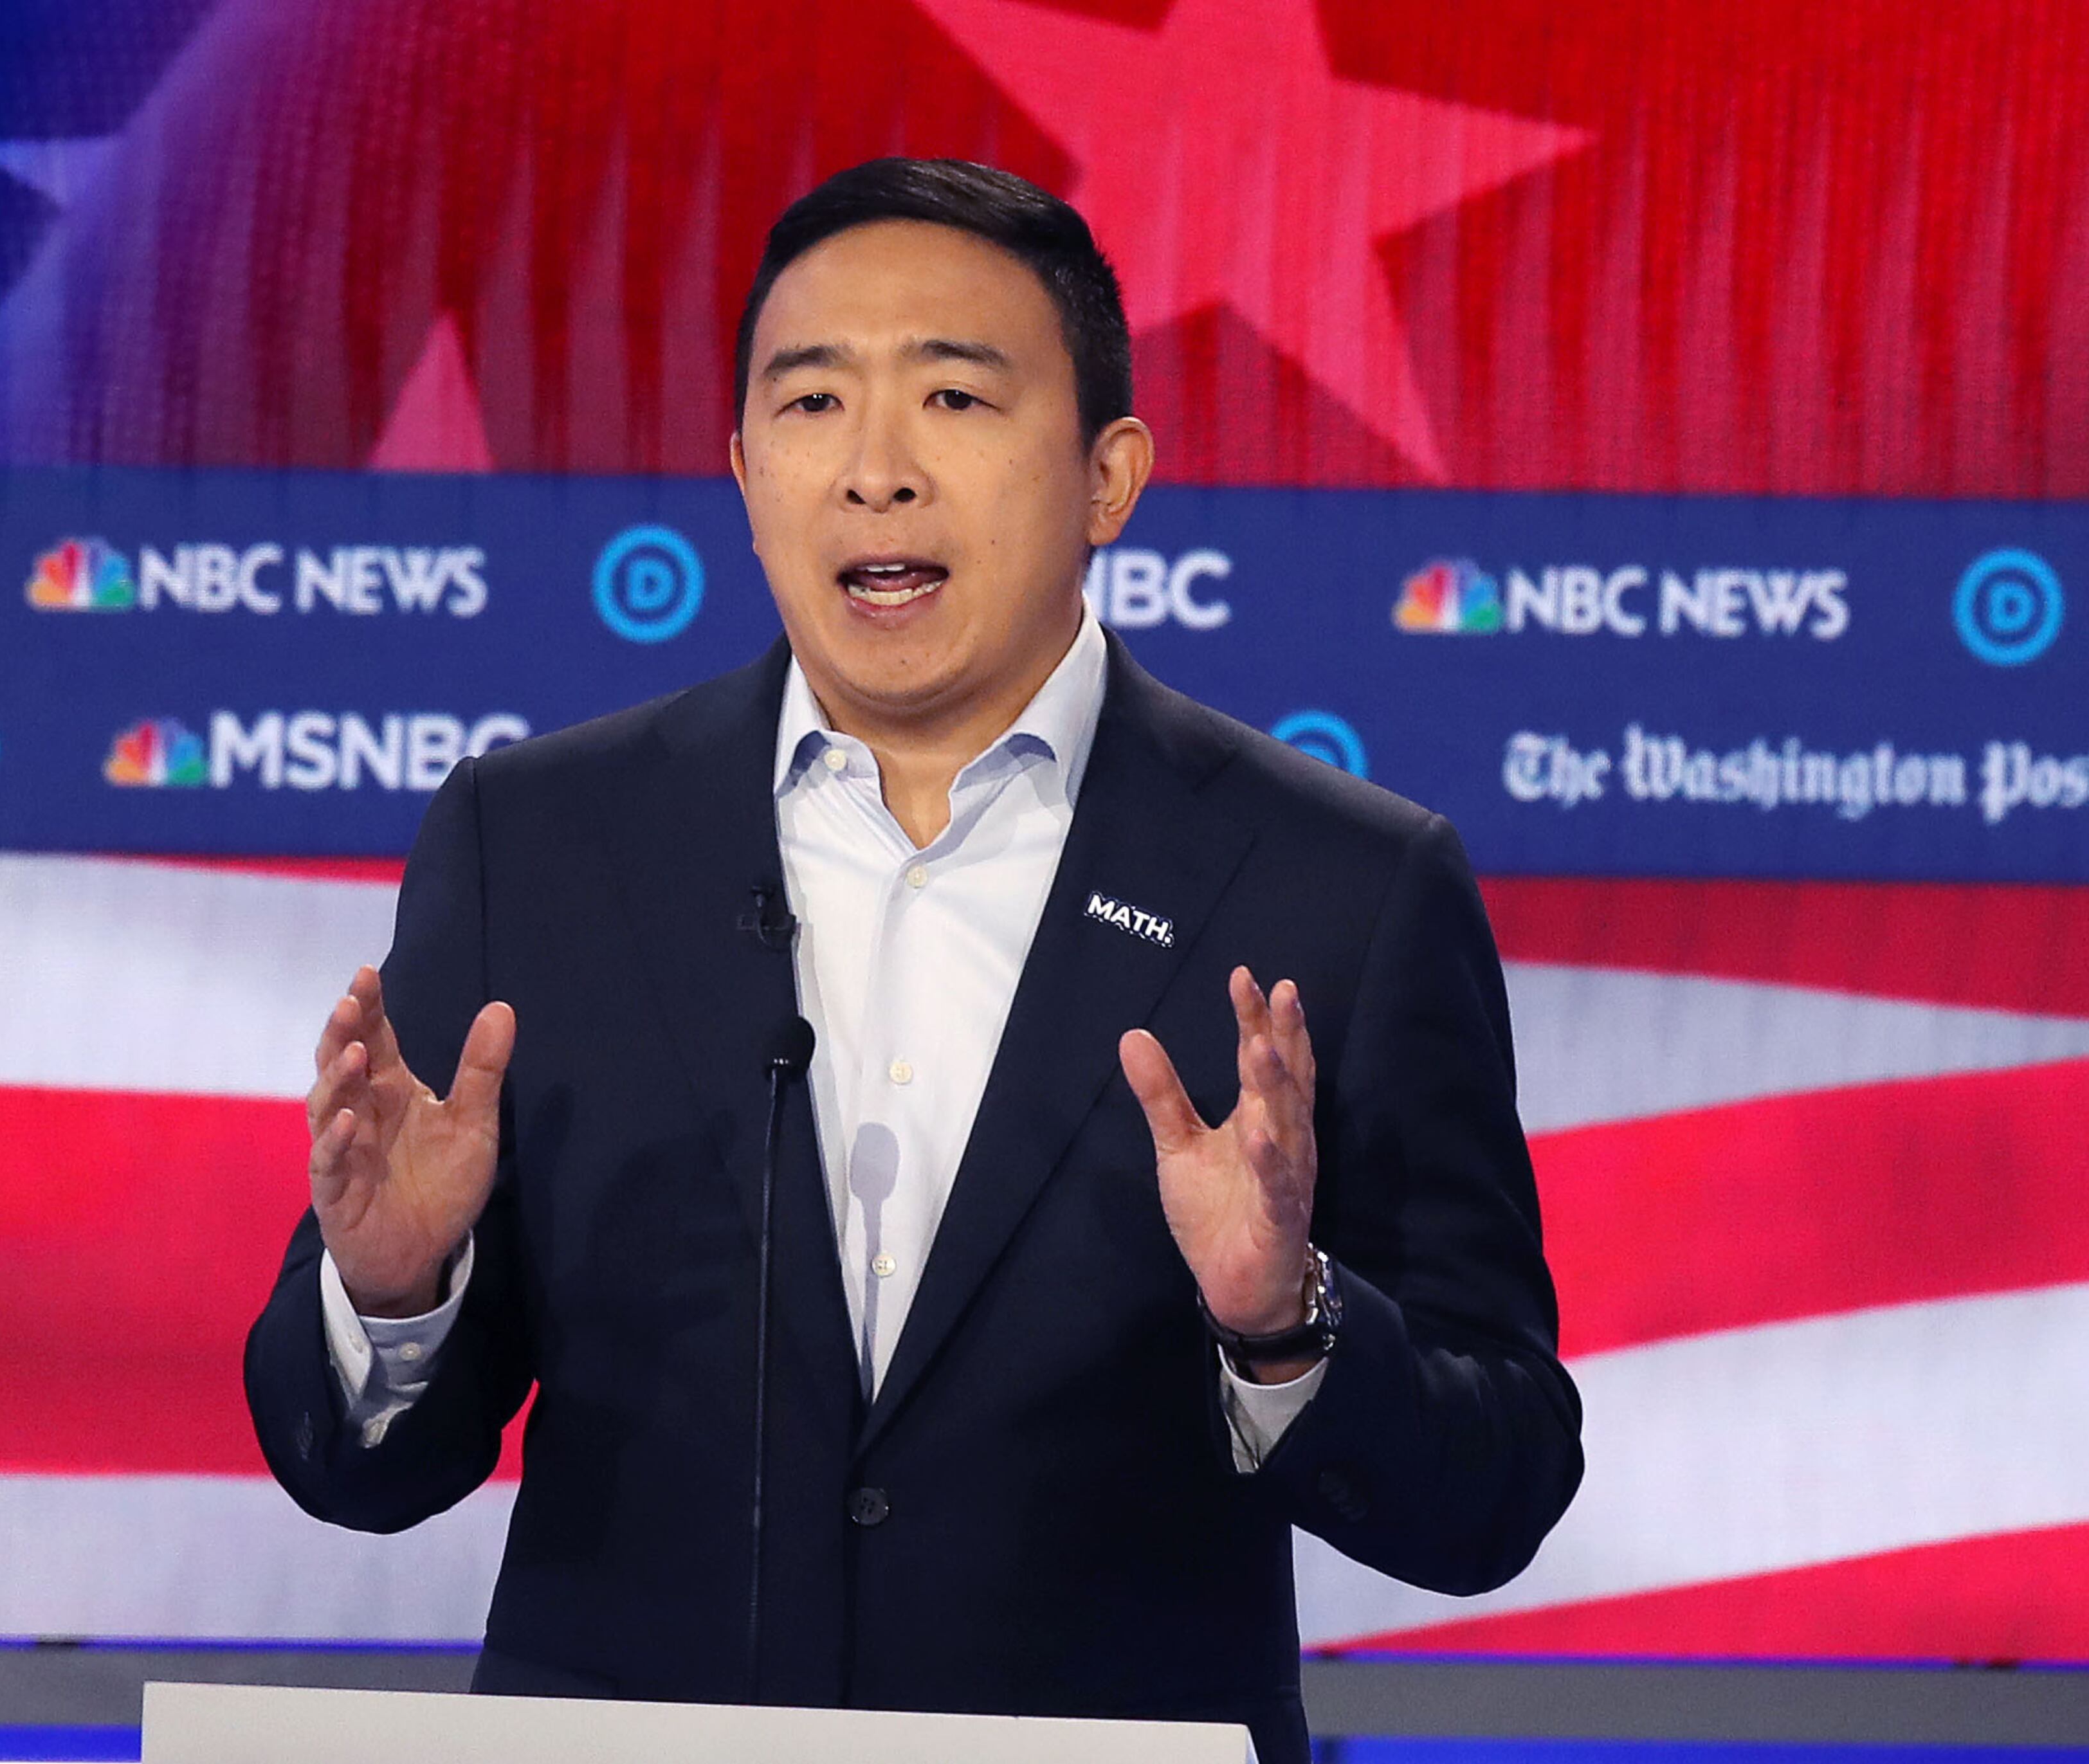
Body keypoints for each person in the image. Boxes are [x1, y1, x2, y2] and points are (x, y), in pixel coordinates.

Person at [244, 157, 1581, 1764]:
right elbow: (361, 1466)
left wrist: (1287, 1323)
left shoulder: (1342, 885)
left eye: (954, 397)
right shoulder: (538, 846)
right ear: (743, 470)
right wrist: (396, 1294)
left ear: (1108, 475)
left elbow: (1497, 1482)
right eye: (812, 406)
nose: (874, 471)